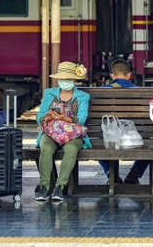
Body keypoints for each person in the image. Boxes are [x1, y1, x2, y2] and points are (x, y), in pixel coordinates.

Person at [35, 61, 91, 202]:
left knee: (71, 149)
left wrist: (66, 118)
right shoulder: (49, 93)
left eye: (68, 79)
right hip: (51, 133)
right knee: (46, 148)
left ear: (74, 80)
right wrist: (46, 117)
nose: (65, 81)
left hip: (72, 134)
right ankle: (44, 187)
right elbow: (39, 117)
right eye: (62, 79)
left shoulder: (83, 97)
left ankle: (60, 187)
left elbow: (82, 119)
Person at [99, 58, 149, 184]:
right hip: (134, 137)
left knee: (98, 139)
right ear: (129, 76)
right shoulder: (140, 91)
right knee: (151, 142)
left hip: (109, 139)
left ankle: (112, 174)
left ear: (112, 76)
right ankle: (134, 174)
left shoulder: (102, 91)